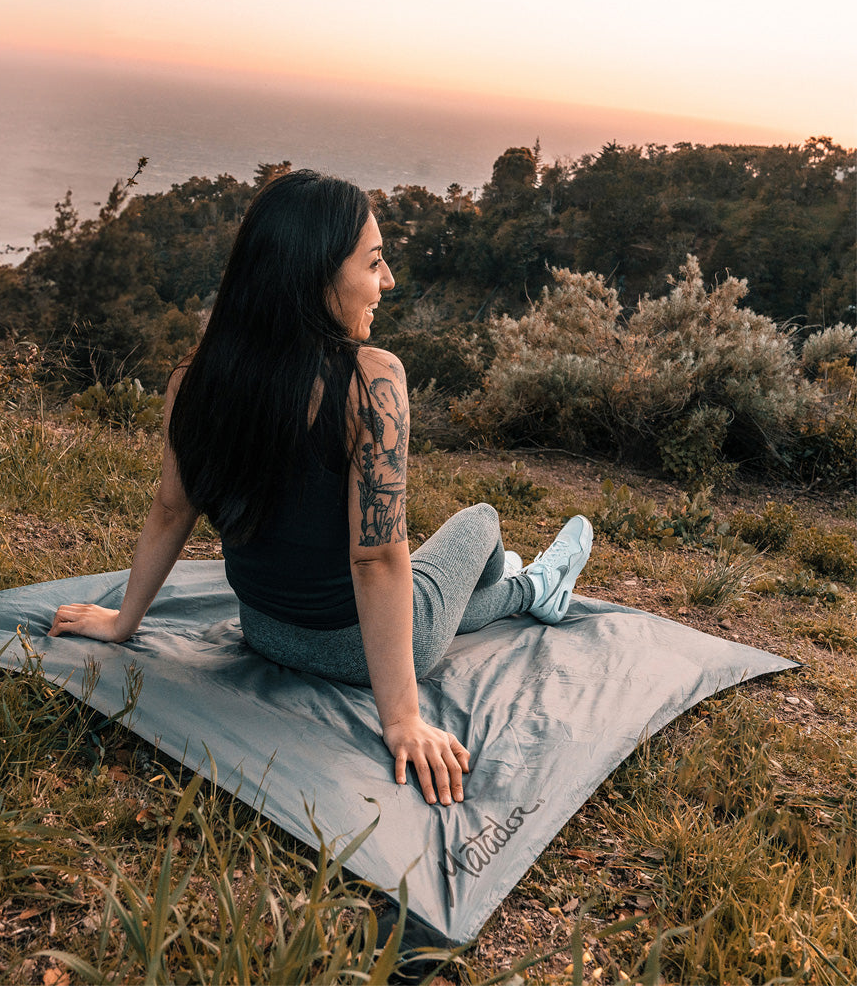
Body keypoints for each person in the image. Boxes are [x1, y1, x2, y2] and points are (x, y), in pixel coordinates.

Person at [49, 169, 593, 808]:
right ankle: (530, 588)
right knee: (482, 522)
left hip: (266, 629)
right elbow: (376, 561)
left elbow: (172, 508)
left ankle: (506, 591)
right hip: (373, 652)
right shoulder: (373, 380)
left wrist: (124, 621)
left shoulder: (194, 381)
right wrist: (402, 721)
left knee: (426, 580)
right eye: (375, 263)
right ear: (317, 275)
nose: (387, 281)